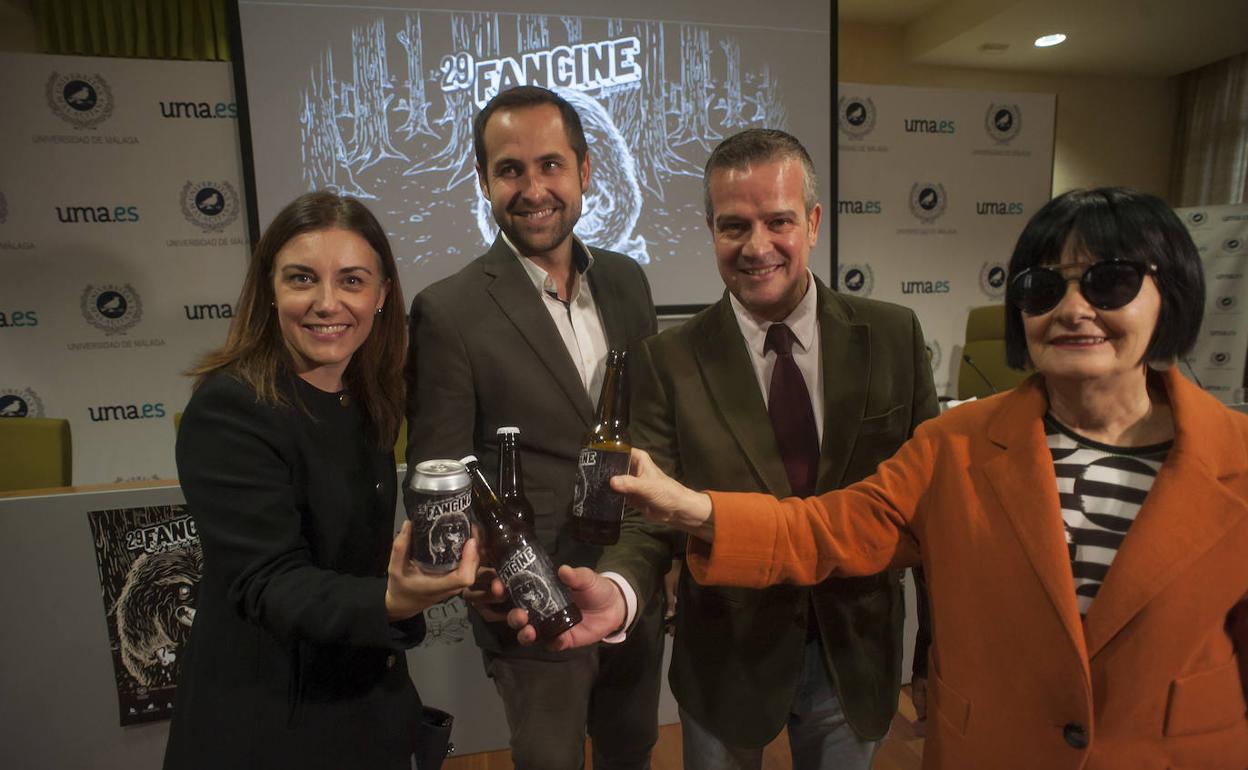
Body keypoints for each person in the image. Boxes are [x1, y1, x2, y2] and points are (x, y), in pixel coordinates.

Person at [605, 188, 1248, 769]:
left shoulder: (1237, 462)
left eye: (1109, 283)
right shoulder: (955, 449)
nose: (1073, 309)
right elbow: (829, 527)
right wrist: (694, 511)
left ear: (1175, 293)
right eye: (1043, 288)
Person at [513, 128, 937, 769]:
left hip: (859, 652)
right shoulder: (668, 361)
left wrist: (936, 649)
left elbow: (933, 512)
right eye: (734, 226)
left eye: (779, 221)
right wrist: (621, 589)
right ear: (710, 229)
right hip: (727, 659)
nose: (757, 246)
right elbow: (647, 518)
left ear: (814, 222)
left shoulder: (894, 337)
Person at [165, 191, 478, 770]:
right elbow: (268, 581)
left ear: (383, 295)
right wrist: (390, 600)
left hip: (368, 712)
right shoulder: (229, 409)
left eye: (353, 281)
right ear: (271, 290)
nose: (327, 303)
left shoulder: (369, 398)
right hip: (273, 727)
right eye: (302, 278)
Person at [404, 85, 663, 770]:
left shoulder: (629, 282)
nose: (533, 188)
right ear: (484, 181)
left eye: (551, 165)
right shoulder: (448, 310)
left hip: (632, 579)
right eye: (509, 169)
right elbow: (438, 473)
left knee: (631, 750)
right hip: (534, 601)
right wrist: (487, 576)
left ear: (585, 171)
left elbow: (647, 431)